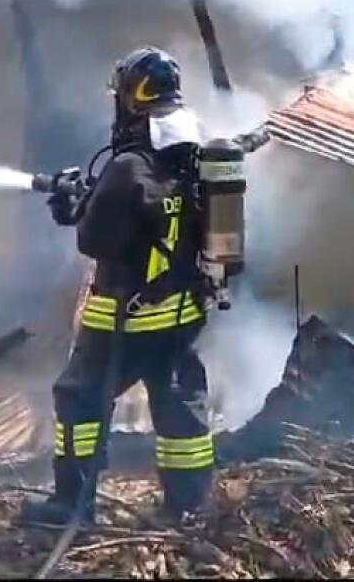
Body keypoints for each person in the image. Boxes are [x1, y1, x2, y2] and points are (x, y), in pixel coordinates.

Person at [20, 46, 216, 526]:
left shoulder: (127, 166)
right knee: (179, 404)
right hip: (182, 312)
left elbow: (95, 240)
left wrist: (76, 209)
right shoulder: (196, 157)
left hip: (124, 317)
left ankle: (73, 505)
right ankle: (189, 505)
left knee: (80, 398)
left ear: (130, 100)